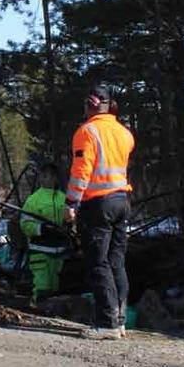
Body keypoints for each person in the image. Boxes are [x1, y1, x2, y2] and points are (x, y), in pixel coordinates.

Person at [64, 82, 134, 338]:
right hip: (122, 201)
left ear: (91, 105)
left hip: (98, 204)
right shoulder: (124, 133)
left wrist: (71, 203)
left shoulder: (87, 132)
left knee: (98, 263)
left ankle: (106, 324)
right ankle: (120, 321)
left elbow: (81, 172)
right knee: (117, 262)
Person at [19, 161, 68, 302]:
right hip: (40, 250)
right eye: (44, 175)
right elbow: (25, 224)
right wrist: (42, 229)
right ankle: (36, 312)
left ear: (56, 178)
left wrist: (68, 226)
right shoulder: (33, 200)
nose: (47, 178)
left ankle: (51, 314)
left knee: (56, 288)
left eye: (50, 175)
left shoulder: (63, 198)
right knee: (42, 287)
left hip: (59, 251)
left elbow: (71, 218)